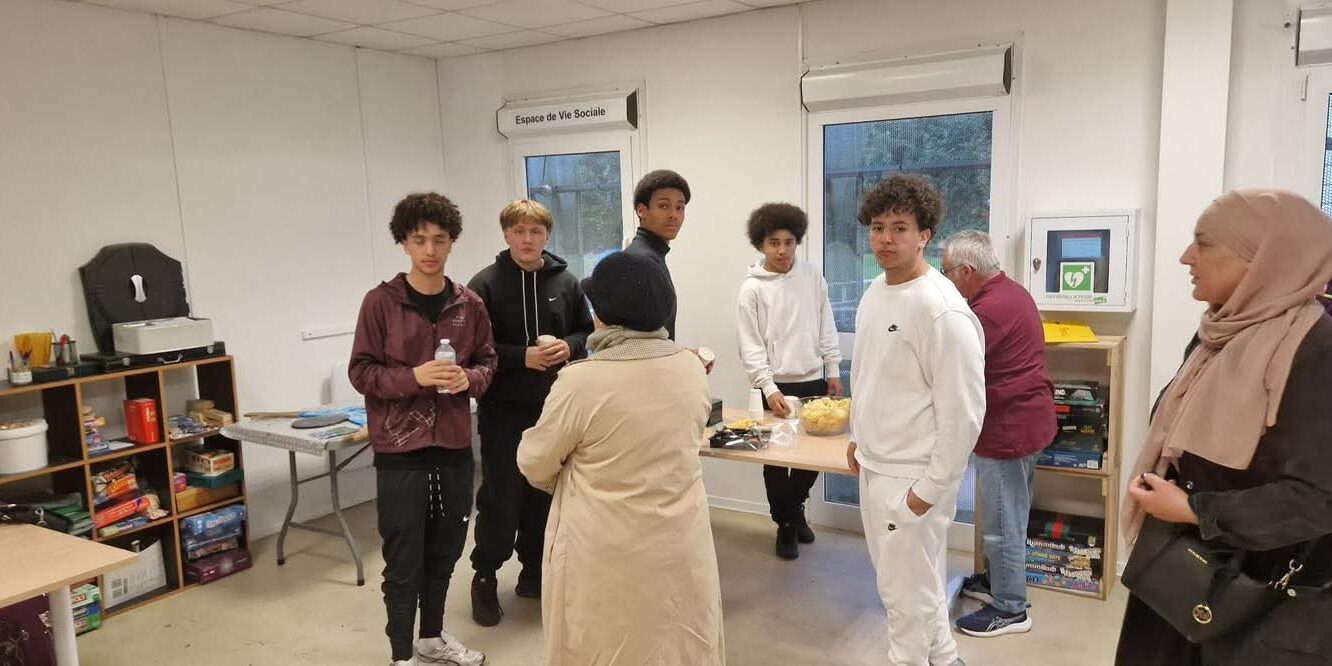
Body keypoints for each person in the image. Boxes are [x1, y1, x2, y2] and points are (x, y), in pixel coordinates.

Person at [1116, 188, 1332, 666]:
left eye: (1204, 243)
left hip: (1259, 600)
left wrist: (1194, 509)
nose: (1185, 257)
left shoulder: (1317, 350)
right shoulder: (1217, 332)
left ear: (1264, 259)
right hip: (1179, 576)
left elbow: (1318, 499)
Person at [516, 251, 724, 666]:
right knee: (676, 639)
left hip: (603, 546)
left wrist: (573, 474)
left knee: (604, 641)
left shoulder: (581, 381)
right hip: (680, 537)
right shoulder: (690, 369)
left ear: (604, 316)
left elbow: (534, 461)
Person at [349, 192, 495, 666]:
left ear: (452, 242)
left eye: (439, 239)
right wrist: (414, 377)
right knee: (404, 558)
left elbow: (488, 363)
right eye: (419, 240)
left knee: (446, 551)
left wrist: (468, 379)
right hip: (400, 452)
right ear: (404, 243)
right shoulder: (380, 303)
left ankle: (431, 638)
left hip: (453, 447)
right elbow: (361, 373)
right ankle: (401, 656)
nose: (430, 250)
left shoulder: (470, 305)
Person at [845, 174, 984, 666]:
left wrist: (931, 487)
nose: (885, 239)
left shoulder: (941, 309)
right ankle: (944, 658)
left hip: (912, 475)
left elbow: (964, 414)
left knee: (901, 596)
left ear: (925, 235)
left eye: (899, 228)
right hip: (876, 464)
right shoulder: (875, 292)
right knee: (916, 582)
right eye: (877, 227)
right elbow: (868, 374)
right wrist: (858, 436)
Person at [465, 199, 594, 627]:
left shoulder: (567, 282)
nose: (527, 239)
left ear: (547, 236)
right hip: (502, 410)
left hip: (553, 408)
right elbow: (474, 351)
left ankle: (534, 572)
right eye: (518, 231)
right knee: (502, 496)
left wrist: (568, 347)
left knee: (545, 494)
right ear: (506, 234)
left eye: (535, 232)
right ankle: (485, 575)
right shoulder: (483, 285)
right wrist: (521, 357)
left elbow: (586, 333)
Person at [940, 230, 1054, 637]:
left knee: (1002, 522)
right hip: (1026, 421)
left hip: (1009, 429)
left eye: (947, 272)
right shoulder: (1012, 292)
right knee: (1009, 514)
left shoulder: (986, 312)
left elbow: (950, 366)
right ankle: (997, 583)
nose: (944, 280)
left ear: (967, 271)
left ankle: (1010, 608)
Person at [735, 202, 842, 560]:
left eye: (789, 242)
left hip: (812, 380)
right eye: (774, 243)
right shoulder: (751, 289)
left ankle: (794, 509)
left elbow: (826, 322)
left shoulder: (811, 276)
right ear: (760, 245)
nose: (782, 250)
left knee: (813, 457)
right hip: (774, 385)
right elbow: (750, 345)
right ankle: (785, 523)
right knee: (776, 460)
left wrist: (832, 370)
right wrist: (768, 388)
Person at [624, 169, 690, 340]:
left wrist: (680, 352)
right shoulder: (640, 261)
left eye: (680, 207)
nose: (674, 215)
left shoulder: (651, 256)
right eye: (663, 206)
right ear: (642, 210)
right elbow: (633, 340)